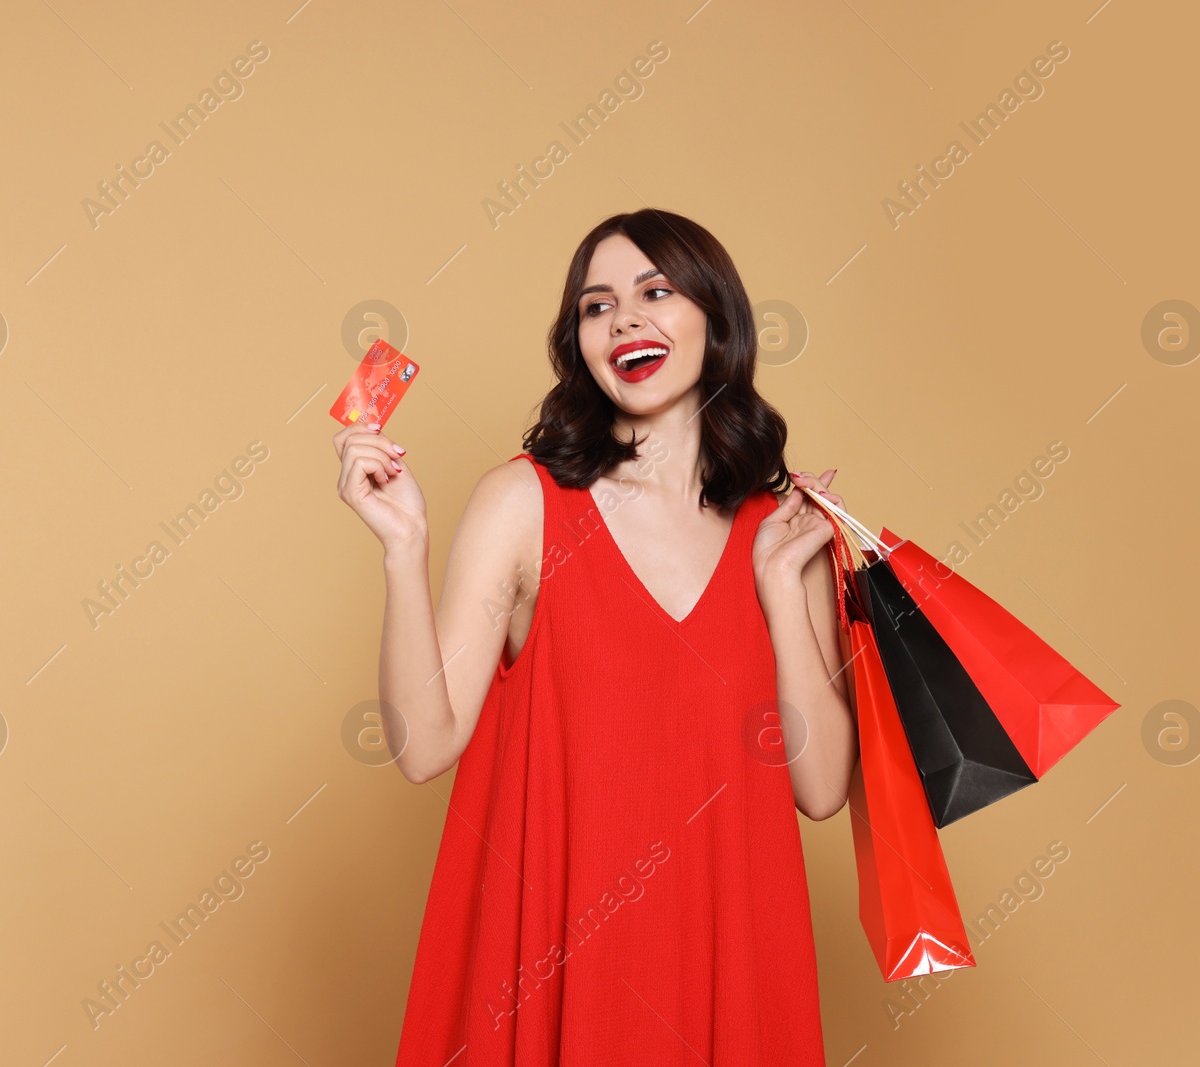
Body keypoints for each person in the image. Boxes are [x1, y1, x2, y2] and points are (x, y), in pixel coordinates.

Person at [332, 208, 858, 1064]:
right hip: (559, 977)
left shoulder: (783, 531)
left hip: (724, 978)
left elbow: (824, 784)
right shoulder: (523, 503)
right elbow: (426, 746)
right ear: (578, 340)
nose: (624, 320)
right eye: (596, 305)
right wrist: (404, 550)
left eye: (656, 291)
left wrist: (777, 585)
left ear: (716, 322)